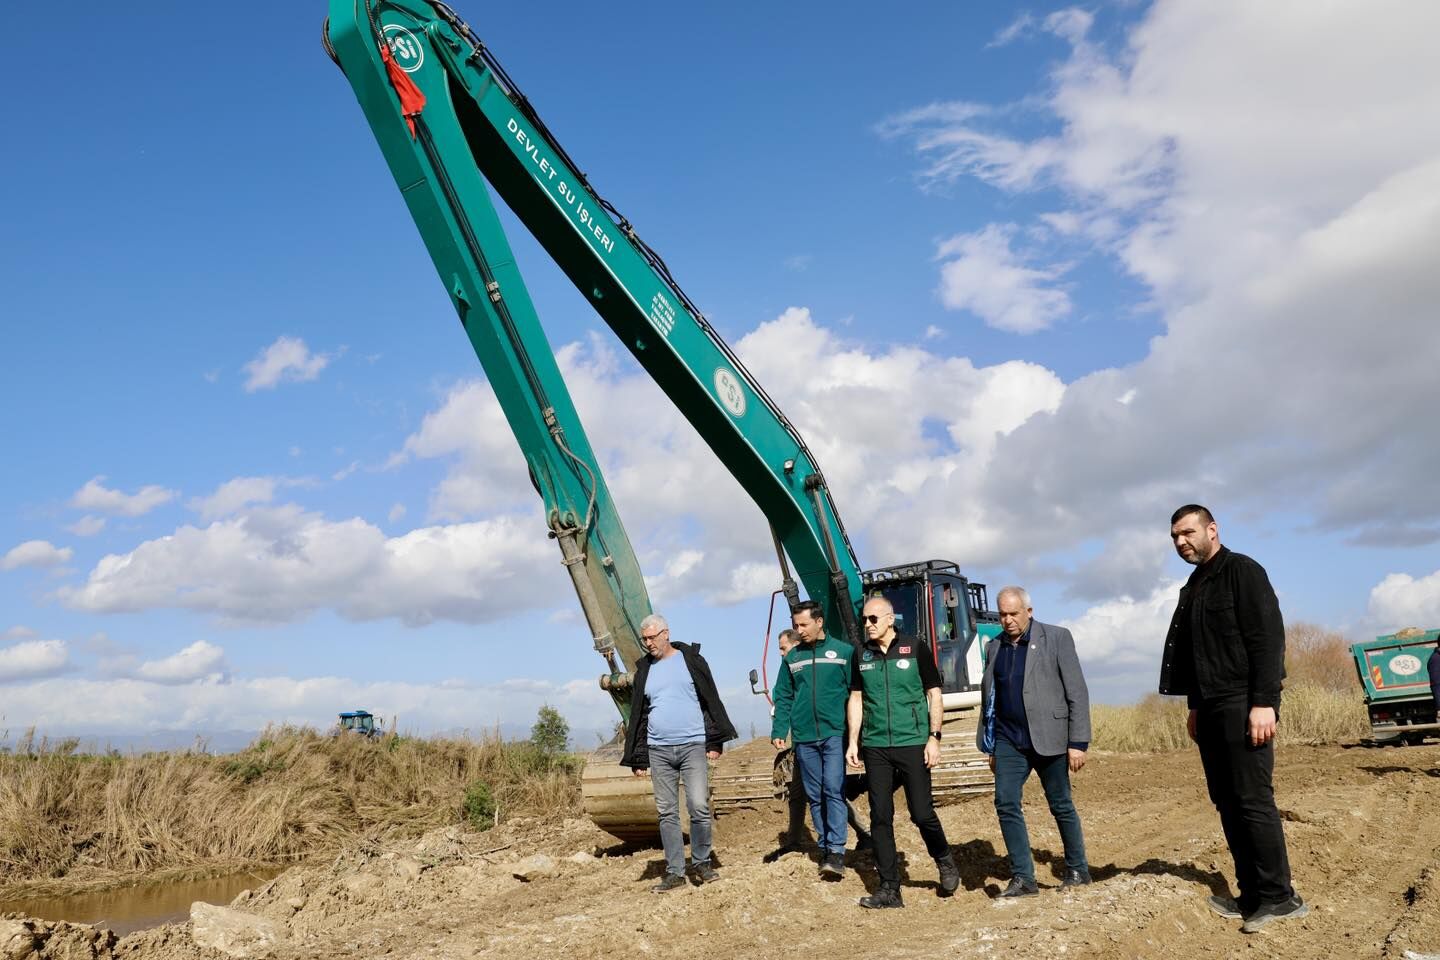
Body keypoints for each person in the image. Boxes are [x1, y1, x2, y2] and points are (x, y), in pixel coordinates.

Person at [1159, 505, 1308, 933]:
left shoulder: (1243, 572)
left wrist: (1265, 702)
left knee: (1252, 800)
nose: (1181, 541)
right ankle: (1250, 894)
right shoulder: (1193, 584)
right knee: (1226, 801)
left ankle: (1280, 897)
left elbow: (1267, 638)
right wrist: (1193, 705)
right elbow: (1196, 653)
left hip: (1244, 703)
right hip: (1209, 708)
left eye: (1187, 532)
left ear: (1212, 529)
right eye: (1174, 537)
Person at [846, 596, 960, 908]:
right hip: (876, 745)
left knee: (922, 813)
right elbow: (856, 699)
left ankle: (945, 860)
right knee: (880, 817)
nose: (867, 624)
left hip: (913, 741)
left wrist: (934, 737)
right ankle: (889, 888)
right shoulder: (861, 656)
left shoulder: (915, 648)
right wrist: (854, 741)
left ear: (890, 619)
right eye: (864, 619)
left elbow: (934, 693)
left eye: (873, 619)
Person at [977, 586, 1092, 897]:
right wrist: (991, 744)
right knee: (1005, 801)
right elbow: (991, 697)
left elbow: (1077, 691)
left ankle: (1078, 869)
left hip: (1051, 738)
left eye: (1013, 613)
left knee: (1060, 804)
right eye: (1002, 614)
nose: (1007, 620)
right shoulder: (994, 646)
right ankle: (1023, 878)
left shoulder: (1056, 638)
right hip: (1008, 740)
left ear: (1029, 611)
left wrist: (1078, 741)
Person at [620, 613, 738, 892]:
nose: (648, 643)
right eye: (644, 639)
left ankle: (702, 863)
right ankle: (674, 871)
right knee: (667, 812)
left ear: (666, 634)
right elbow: (639, 716)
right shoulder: (644, 671)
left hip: (692, 745)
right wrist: (639, 757)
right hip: (658, 750)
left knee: (698, 805)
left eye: (652, 637)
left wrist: (714, 742)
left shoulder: (691, 661)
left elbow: (711, 701)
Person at [771, 601, 856, 879]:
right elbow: (783, 695)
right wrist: (780, 729)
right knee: (815, 794)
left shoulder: (844, 653)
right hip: (804, 736)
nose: (799, 630)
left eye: (804, 624)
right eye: (796, 625)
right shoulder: (792, 659)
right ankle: (824, 847)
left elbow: (856, 695)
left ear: (819, 622)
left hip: (834, 733)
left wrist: (858, 736)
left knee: (833, 789)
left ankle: (837, 851)